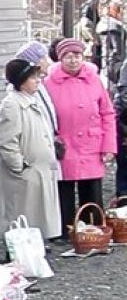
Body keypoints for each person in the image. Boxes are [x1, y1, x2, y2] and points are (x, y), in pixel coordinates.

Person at [43, 37, 117, 235]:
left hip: (92, 142)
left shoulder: (94, 80)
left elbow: (107, 113)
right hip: (64, 143)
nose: (73, 60)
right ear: (60, 59)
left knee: (91, 188)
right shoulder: (49, 83)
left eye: (77, 56)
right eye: (68, 56)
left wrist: (109, 146)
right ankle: (65, 230)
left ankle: (93, 230)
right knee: (63, 188)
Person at [0, 59, 62, 241]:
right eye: (33, 77)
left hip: (37, 171)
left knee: (36, 217)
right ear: (21, 80)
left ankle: (34, 252)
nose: (38, 80)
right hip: (25, 175)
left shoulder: (31, 100)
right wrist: (20, 167)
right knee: (21, 217)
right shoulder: (11, 105)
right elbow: (7, 142)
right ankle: (20, 256)